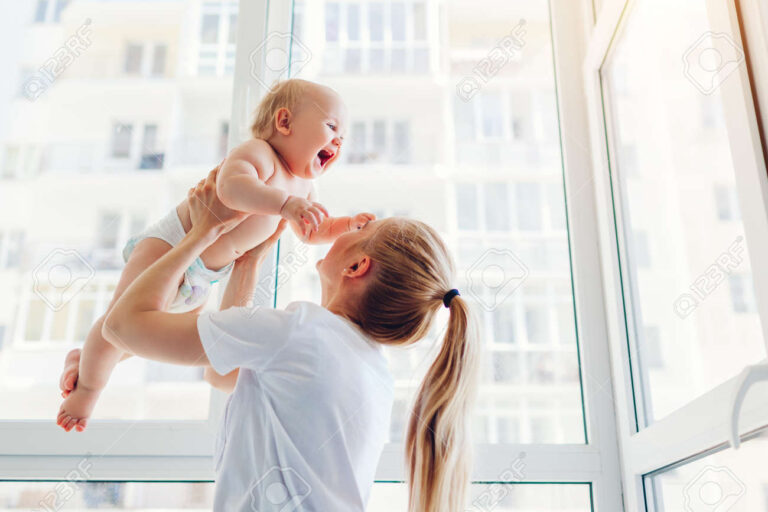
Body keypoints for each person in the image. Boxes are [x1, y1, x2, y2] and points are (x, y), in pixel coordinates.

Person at [80, 170, 479, 511]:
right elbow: (224, 375)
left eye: (360, 230)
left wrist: (202, 233)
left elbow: (121, 325)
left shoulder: (301, 330)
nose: (344, 229)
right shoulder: (371, 371)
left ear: (357, 266)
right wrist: (248, 261)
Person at [57, 79, 374, 430]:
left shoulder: (304, 188)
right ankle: (86, 390)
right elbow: (230, 188)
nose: (338, 141)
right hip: (169, 246)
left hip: (205, 277)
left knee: (143, 335)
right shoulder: (259, 154)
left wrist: (345, 225)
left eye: (343, 136)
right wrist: (285, 204)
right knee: (114, 328)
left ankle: (85, 359)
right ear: (284, 123)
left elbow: (313, 229)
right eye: (331, 127)